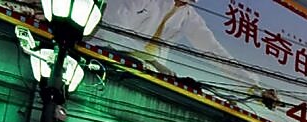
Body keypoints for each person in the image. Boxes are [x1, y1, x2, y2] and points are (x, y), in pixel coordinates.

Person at [95, 0, 279, 109]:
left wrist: (255, 89)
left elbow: (215, 52)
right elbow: (110, 29)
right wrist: (152, 61)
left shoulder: (188, 15)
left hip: (142, 80)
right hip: (98, 58)